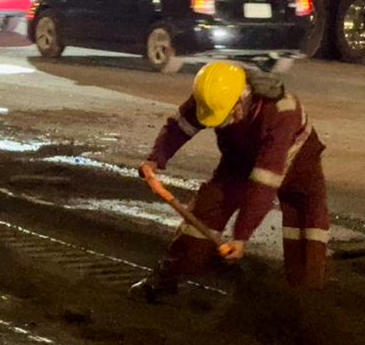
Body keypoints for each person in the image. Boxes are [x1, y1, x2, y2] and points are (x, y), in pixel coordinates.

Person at [130, 62, 329, 302]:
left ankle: (303, 301)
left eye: (226, 119)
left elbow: (264, 182)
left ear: (242, 101)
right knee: (205, 215)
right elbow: (179, 128)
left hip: (299, 164)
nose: (224, 125)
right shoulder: (211, 97)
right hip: (239, 160)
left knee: (308, 230)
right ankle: (166, 280)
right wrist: (155, 159)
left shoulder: (280, 113)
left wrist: (241, 237)